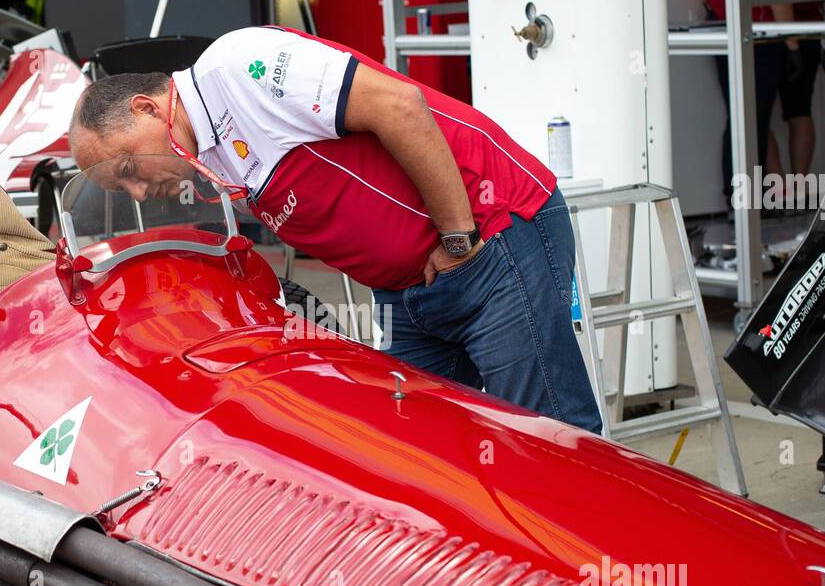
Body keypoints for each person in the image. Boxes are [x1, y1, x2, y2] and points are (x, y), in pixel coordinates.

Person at [68, 26, 602, 433]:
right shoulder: (206, 156)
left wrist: (458, 238)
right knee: (426, 448)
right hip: (408, 286)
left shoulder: (238, 67)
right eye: (123, 191)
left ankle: (599, 572)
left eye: (130, 170)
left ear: (146, 108)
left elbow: (399, 105)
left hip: (489, 238)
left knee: (546, 436)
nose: (139, 192)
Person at [693, 0, 797, 206]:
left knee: (739, 116)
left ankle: (737, 197)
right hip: (761, 39)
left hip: (722, 37)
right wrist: (793, 45)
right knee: (755, 120)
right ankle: (748, 201)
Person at [767, 0, 825, 181]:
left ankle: (778, 188)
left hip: (773, 30)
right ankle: (800, 184)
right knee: (800, 109)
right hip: (813, 28)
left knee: (759, 113)